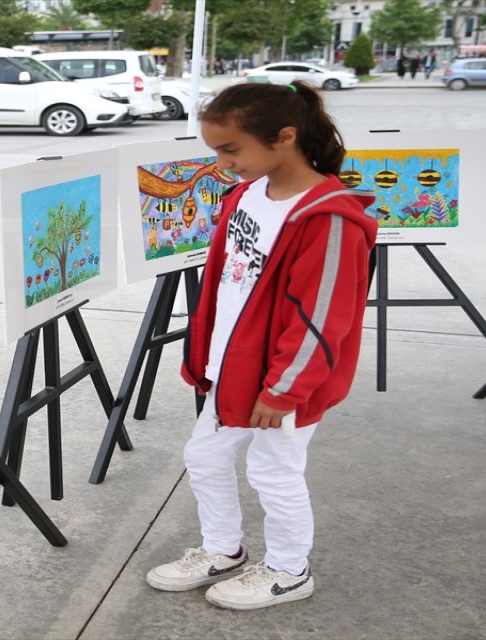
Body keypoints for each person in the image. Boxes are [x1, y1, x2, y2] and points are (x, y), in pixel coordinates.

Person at [145, 81, 376, 611]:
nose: (224, 163)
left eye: (231, 149)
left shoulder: (328, 218)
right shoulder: (249, 192)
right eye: (216, 151)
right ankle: (223, 551)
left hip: (286, 382)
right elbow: (227, 280)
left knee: (274, 471)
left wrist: (283, 391)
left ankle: (289, 569)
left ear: (285, 137)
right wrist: (207, 356)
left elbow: (322, 320)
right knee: (203, 456)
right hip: (233, 366)